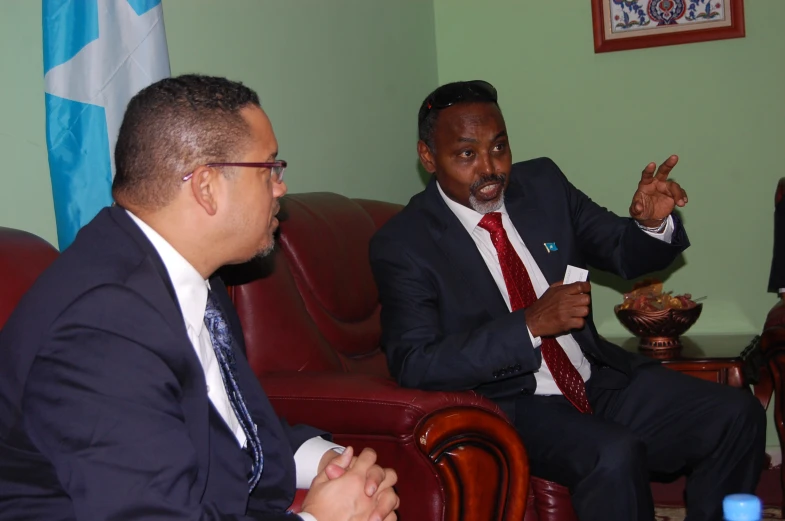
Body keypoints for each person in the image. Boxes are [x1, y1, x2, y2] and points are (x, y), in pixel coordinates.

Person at [0, 75, 399, 521]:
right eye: (270, 168)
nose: (281, 187)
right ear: (206, 186)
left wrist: (331, 462)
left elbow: (234, 427)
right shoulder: (103, 329)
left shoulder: (189, 276)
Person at [369, 80, 765, 521]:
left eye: (499, 148)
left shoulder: (542, 185)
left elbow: (619, 248)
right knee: (614, 453)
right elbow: (415, 361)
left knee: (736, 413)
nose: (490, 169)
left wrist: (652, 225)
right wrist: (529, 325)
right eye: (466, 154)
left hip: (594, 375)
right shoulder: (405, 242)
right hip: (514, 402)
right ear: (428, 156)